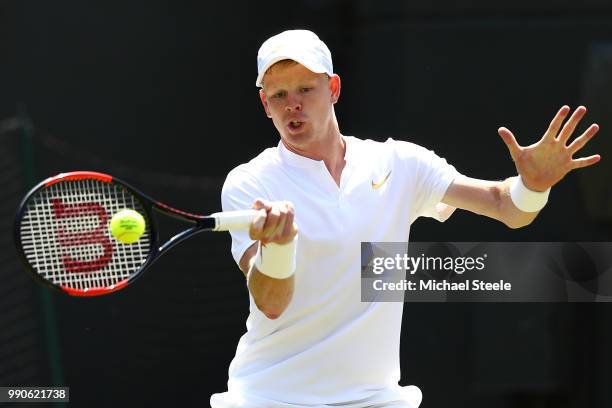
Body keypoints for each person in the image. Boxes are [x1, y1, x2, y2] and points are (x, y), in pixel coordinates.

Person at [210, 30, 601, 408]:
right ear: (265, 105)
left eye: (305, 89)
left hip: (376, 400)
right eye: (278, 95)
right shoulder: (250, 183)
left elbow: (506, 207)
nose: (292, 104)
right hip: (271, 399)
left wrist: (533, 185)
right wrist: (278, 247)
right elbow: (271, 303)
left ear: (333, 89)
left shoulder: (400, 163)